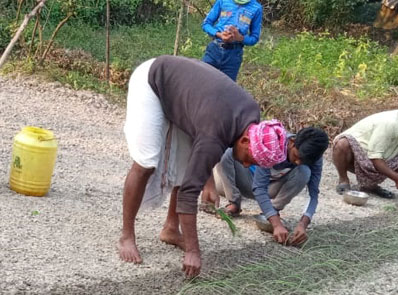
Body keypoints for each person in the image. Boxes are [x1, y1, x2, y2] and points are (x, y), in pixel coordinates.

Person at [118, 55, 288, 278]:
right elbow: (189, 191)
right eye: (249, 159)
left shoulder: (252, 118)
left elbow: (208, 142)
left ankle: (171, 229)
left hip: (187, 95)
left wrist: (207, 178)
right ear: (246, 140)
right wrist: (193, 251)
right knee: (146, 161)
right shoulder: (216, 131)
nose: (246, 164)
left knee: (186, 163)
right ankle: (127, 235)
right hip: (153, 80)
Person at [204, 127, 330, 246]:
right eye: (297, 156)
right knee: (226, 153)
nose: (298, 162)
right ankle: (234, 203)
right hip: (240, 180)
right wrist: (276, 225)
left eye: (305, 160)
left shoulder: (314, 158)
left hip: (271, 188)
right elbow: (259, 187)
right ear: (291, 142)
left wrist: (303, 224)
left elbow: (313, 194)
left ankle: (272, 210)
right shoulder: (273, 143)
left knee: (304, 172)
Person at [332, 106, 398, 199]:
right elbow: (375, 158)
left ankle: (370, 185)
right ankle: (343, 180)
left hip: (379, 158)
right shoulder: (390, 124)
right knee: (342, 144)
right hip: (357, 155)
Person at [201, 0, 263, 81]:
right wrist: (219, 34)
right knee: (202, 82)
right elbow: (206, 24)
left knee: (226, 89)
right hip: (214, 50)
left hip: (234, 55)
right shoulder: (222, 1)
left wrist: (240, 38)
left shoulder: (256, 8)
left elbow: (254, 38)